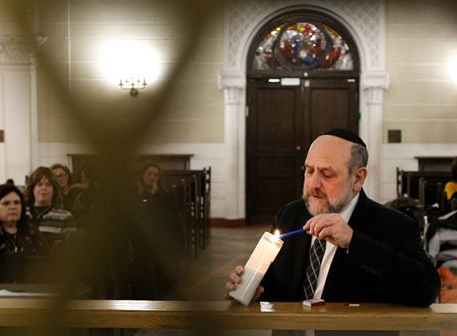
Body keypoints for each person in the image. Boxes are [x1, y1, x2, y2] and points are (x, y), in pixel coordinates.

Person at [225, 128, 438, 307]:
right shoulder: (290, 214)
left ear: (357, 178)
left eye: (327, 174)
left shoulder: (394, 225)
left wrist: (354, 242)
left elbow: (426, 290)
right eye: (309, 171)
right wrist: (254, 291)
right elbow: (275, 286)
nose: (314, 184)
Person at [131, 162, 184, 298]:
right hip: (138, 237)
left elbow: (170, 219)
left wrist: (156, 196)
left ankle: (161, 288)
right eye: (149, 174)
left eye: (155, 175)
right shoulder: (134, 191)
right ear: (142, 175)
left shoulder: (163, 194)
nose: (152, 177)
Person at [24, 166, 75, 244]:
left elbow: (72, 248)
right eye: (39, 184)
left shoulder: (66, 217)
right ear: (32, 188)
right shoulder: (21, 214)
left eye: (48, 184)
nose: (44, 188)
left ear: (54, 189)